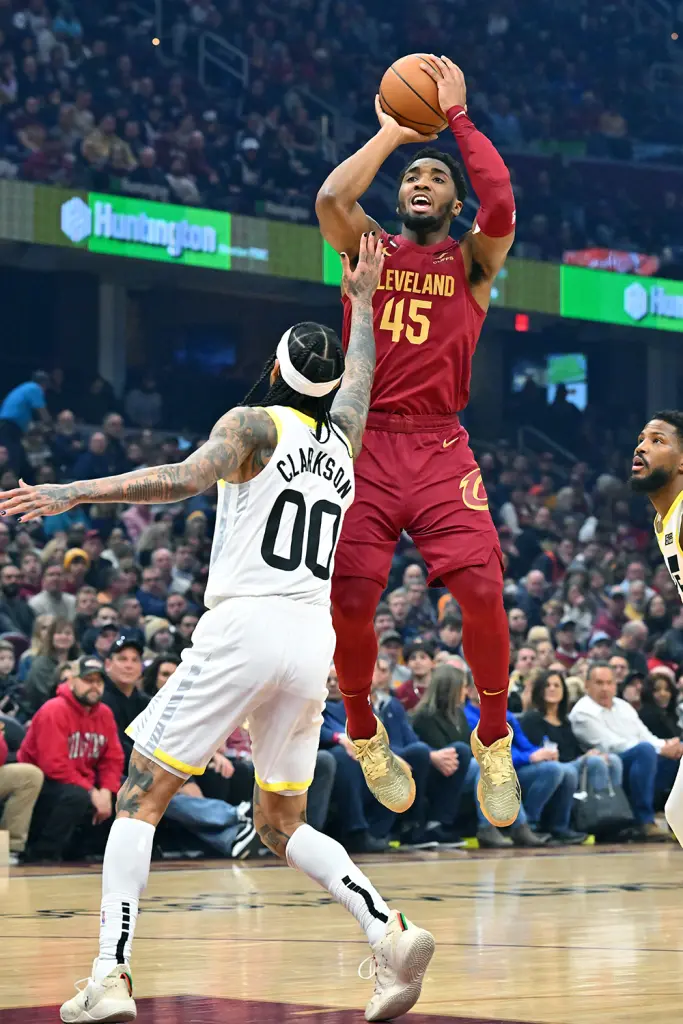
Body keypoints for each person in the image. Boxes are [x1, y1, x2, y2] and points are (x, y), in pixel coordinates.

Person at [0, 235, 435, 1023]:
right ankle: (387, 927)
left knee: (140, 795)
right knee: (280, 821)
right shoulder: (340, 440)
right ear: (328, 385)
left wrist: (74, 490)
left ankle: (109, 976)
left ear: (273, 369)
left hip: (247, 623)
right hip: (311, 639)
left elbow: (180, 479)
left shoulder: (253, 426)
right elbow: (361, 382)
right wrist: (364, 303)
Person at [317, 56, 519, 827]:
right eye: (411, 176)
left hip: (438, 446)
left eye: (434, 176)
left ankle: (492, 738)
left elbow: (499, 198)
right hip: (363, 441)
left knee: (479, 593)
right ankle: (364, 732)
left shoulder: (470, 260)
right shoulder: (365, 250)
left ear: (452, 201)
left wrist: (457, 120)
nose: (419, 182)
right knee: (353, 598)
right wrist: (389, 134)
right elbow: (334, 196)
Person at [630, 411, 683, 843]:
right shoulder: (664, 521)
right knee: (679, 811)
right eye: (641, 439)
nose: (642, 447)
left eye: (658, 440)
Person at [17, 656, 123, 862]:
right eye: (88, 680)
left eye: (98, 682)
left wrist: (107, 791)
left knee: (126, 794)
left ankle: (88, 851)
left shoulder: (105, 713)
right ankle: (42, 854)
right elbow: (54, 765)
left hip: (79, 781)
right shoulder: (54, 709)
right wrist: (93, 792)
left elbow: (113, 758)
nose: (94, 687)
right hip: (42, 784)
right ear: (71, 681)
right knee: (77, 796)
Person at [569, 662, 680, 840]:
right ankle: (644, 821)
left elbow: (646, 735)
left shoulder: (623, 706)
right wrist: (660, 749)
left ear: (615, 685)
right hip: (611, 762)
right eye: (599, 683)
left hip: (640, 757)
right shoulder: (582, 712)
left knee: (677, 755)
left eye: (609, 683)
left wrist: (669, 745)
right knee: (644, 751)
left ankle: (675, 819)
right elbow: (611, 744)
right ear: (587, 685)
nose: (605, 688)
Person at [519, 670, 622, 794]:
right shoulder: (532, 719)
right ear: (539, 690)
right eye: (547, 685)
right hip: (551, 766)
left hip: (572, 764)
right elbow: (538, 752)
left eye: (557, 685)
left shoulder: (566, 722)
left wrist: (589, 754)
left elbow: (574, 751)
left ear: (563, 691)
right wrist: (584, 759)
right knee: (595, 762)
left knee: (612, 759)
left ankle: (614, 806)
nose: (552, 689)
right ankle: (599, 810)